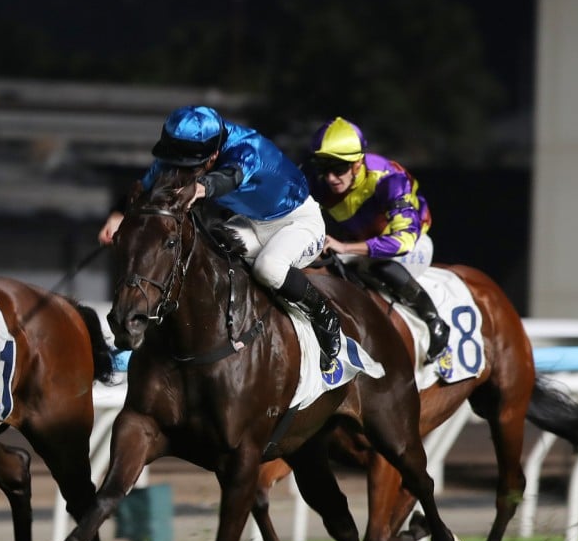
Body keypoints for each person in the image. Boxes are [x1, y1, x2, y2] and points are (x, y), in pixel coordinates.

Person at [98, 105, 339, 371]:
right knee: (202, 265)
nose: (179, 171)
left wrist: (200, 188)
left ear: (213, 155)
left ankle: (324, 315)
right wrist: (118, 214)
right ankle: (150, 343)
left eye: (189, 167)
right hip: (249, 223)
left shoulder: (249, 148)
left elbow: (231, 176)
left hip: (296, 222)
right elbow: (146, 186)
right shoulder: (184, 152)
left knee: (269, 268)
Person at [308, 116, 450, 362]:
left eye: (339, 168)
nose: (330, 178)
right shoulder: (318, 180)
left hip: (410, 247)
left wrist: (345, 246)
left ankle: (434, 321)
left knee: (378, 266)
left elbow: (403, 240)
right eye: (324, 169)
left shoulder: (389, 179)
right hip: (358, 243)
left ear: (357, 164)